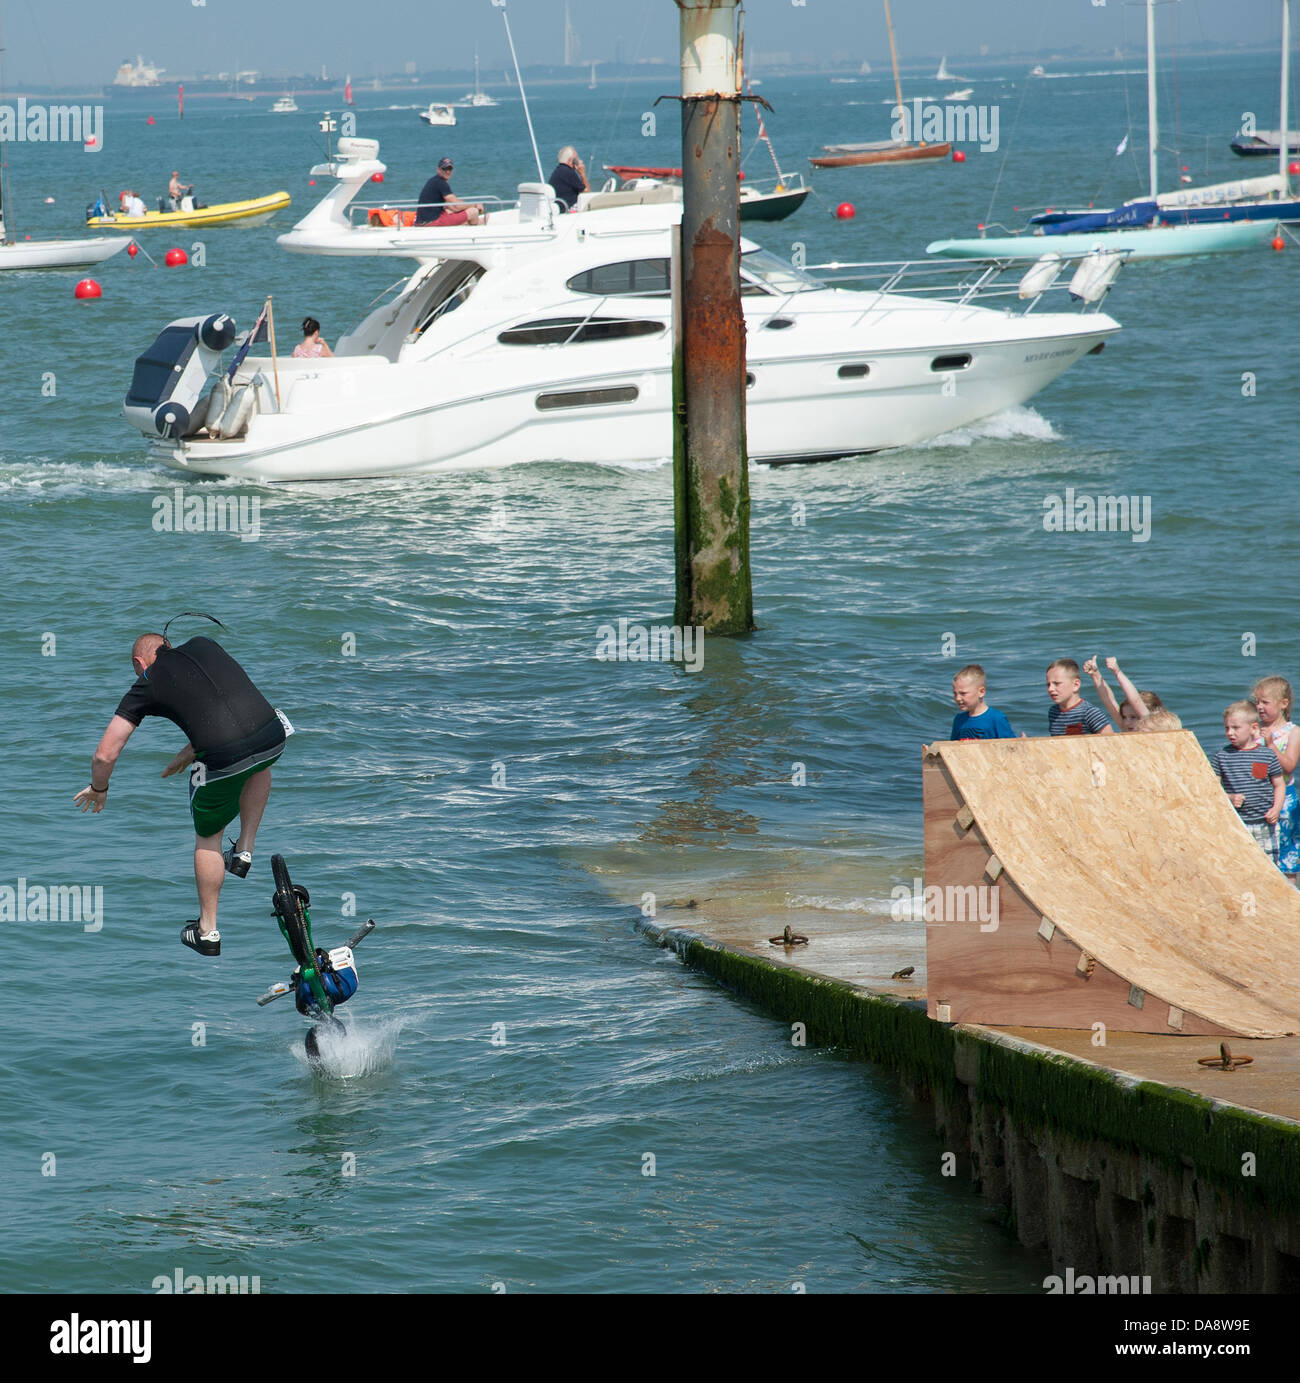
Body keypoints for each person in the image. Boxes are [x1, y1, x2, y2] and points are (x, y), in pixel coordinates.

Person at [74, 632, 290, 957]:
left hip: (224, 756)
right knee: (257, 762)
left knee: (208, 836)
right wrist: (191, 749)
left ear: (139, 663)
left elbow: (105, 754)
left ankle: (208, 929)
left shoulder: (147, 681)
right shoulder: (204, 643)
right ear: (170, 646)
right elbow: (225, 701)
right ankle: (244, 849)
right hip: (273, 735)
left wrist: (99, 788)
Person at [1212, 700, 1285, 865]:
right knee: (1239, 864)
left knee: (1269, 866)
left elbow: (1279, 785)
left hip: (1265, 823)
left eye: (1235, 728)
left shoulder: (1267, 755)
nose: (1230, 733)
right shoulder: (1221, 756)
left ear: (1253, 728)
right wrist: (1229, 798)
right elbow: (1213, 789)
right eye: (1226, 728)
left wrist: (1277, 808)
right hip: (1237, 823)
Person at [1254, 676, 1300, 879]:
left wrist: (1271, 745)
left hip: (1285, 798)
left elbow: (1289, 765)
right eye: (1257, 702)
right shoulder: (1255, 729)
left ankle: (1290, 892)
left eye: (1265, 702)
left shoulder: (1294, 732)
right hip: (1259, 795)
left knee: (1286, 849)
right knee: (1261, 848)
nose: (1259, 707)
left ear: (1283, 704)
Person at [1082, 654, 1163, 730]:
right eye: (1124, 717)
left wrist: (1117, 672)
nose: (1127, 722)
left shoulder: (1151, 726)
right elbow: (1110, 702)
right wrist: (1095, 675)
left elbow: (1136, 701)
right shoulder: (1128, 729)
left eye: (1133, 717)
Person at [1045, 658, 1113, 735]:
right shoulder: (1053, 712)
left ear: (1076, 685)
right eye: (1048, 684)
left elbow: (1109, 740)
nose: (1050, 689)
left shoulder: (1089, 713)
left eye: (1057, 684)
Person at [948, 664, 1015, 740]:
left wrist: (1021, 743)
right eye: (955, 693)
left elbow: (1010, 747)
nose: (957, 698)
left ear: (981, 692)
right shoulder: (959, 719)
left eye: (963, 693)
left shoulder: (996, 718)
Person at [414, 157, 484, 227]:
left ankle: (472, 224)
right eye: (444, 169)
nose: (448, 171)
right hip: (431, 223)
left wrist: (464, 206)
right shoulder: (441, 183)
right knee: (474, 211)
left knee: (451, 211)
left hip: (421, 222)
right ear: (438, 169)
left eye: (449, 169)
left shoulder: (433, 180)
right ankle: (474, 234)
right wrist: (475, 205)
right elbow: (456, 206)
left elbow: (452, 207)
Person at [548, 145, 588, 211]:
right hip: (567, 208)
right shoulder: (569, 173)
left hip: (559, 206)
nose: (579, 160)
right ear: (571, 160)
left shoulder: (558, 170)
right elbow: (587, 192)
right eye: (577, 158)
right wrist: (582, 174)